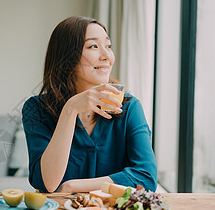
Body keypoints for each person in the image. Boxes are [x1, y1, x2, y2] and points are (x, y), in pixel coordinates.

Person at [22, 16, 157, 193]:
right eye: (93, 46)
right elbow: (47, 183)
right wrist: (70, 110)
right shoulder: (36, 109)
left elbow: (145, 178)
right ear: (67, 57)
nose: (107, 56)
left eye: (108, 46)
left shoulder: (129, 107)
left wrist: (73, 186)